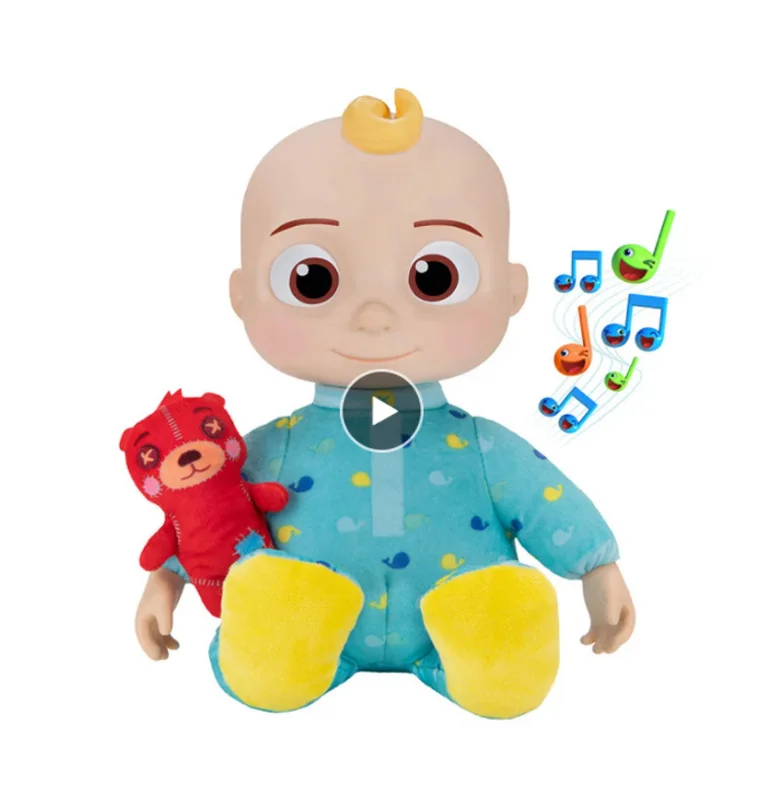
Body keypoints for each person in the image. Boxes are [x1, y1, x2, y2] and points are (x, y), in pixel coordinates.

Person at [135, 89, 635, 719]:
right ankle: (280, 646)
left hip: (448, 628)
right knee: (271, 635)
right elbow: (209, 510)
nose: (374, 316)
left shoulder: (482, 447)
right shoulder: (271, 446)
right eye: (312, 280)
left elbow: (542, 496)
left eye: (434, 277)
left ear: (512, 290)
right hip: (315, 635)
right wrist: (167, 579)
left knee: (500, 656)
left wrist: (597, 567)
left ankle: (488, 644)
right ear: (242, 295)